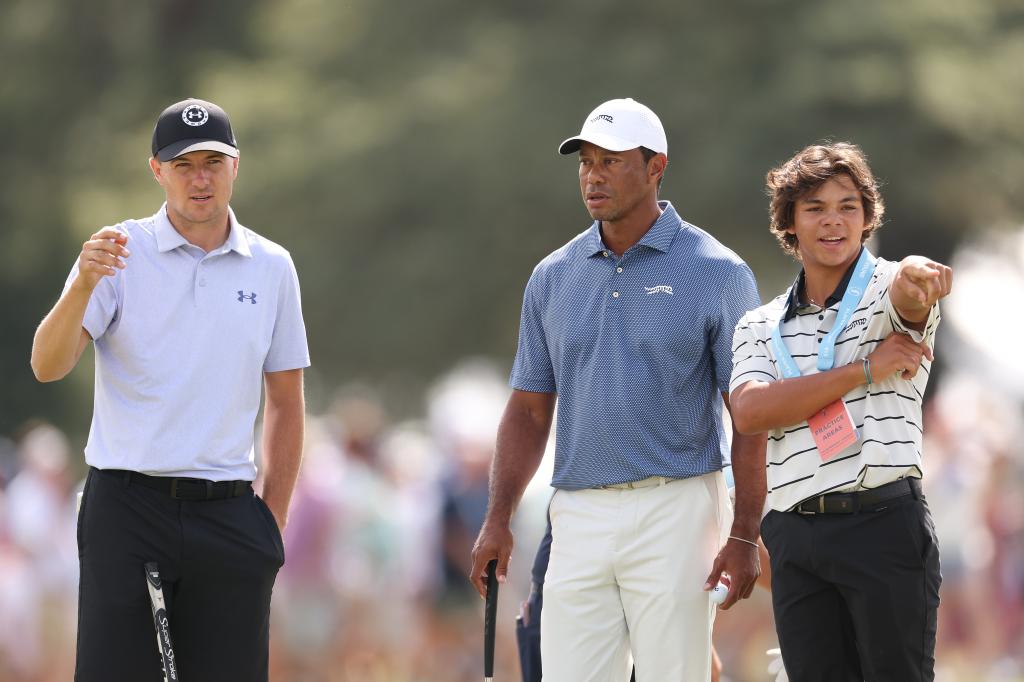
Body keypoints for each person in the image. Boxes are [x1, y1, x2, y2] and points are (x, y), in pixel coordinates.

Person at [469, 97, 767, 681]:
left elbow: (748, 417)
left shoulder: (718, 271)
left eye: (611, 161)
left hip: (676, 505)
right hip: (577, 509)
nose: (593, 175)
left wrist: (744, 532)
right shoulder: (553, 276)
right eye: (585, 162)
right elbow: (529, 412)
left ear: (656, 167)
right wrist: (497, 516)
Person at [30, 98, 309, 682]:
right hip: (127, 509)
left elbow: (285, 400)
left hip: (230, 511)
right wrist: (82, 284)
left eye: (213, 161)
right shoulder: (115, 254)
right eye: (183, 165)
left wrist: (270, 524)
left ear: (237, 166)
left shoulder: (273, 266)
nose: (200, 178)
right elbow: (47, 365)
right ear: (157, 171)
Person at [728, 142, 951, 681]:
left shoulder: (885, 287)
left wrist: (918, 277)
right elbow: (752, 411)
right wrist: (863, 370)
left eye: (849, 206)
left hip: (882, 524)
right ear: (790, 224)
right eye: (815, 208)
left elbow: (909, 293)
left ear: (867, 218)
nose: (834, 221)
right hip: (795, 535)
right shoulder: (760, 325)